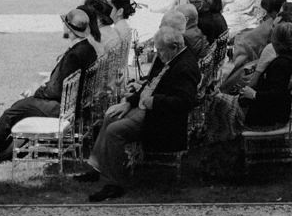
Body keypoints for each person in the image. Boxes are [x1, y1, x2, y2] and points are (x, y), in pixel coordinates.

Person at [0, 9, 97, 164]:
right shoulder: (88, 48)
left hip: (62, 107)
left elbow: (55, 90)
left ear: (69, 28)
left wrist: (37, 91)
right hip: (71, 103)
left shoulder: (74, 55)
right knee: (17, 109)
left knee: (14, 111)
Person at [75, 24, 200, 202]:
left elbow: (186, 102)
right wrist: (128, 103)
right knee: (111, 114)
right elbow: (150, 85)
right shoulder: (169, 58)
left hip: (160, 120)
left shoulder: (185, 67)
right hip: (145, 108)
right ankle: (97, 168)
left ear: (175, 47)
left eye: (161, 51)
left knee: (114, 131)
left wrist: (154, 101)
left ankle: (114, 183)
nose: (158, 54)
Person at [241, 22, 292, 128]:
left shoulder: (281, 64)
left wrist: (254, 94)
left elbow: (277, 94)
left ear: (276, 42)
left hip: (269, 114)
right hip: (278, 109)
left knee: (225, 104)